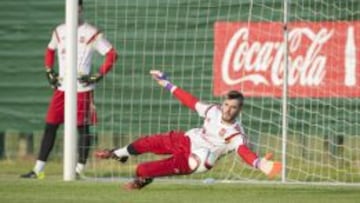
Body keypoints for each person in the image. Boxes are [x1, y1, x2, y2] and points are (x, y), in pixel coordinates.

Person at [95, 70, 281, 190]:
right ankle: (117, 153)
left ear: (239, 110)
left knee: (142, 169)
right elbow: (190, 101)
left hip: (194, 159)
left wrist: (261, 164)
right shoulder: (213, 110)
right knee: (145, 142)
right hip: (185, 140)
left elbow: (244, 151)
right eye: (226, 104)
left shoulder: (236, 133)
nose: (227, 109)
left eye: (233, 107)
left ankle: (144, 177)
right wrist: (167, 84)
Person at [21, 0, 118, 179]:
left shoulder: (91, 32)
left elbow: (112, 54)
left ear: (81, 8)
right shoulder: (60, 31)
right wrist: (49, 70)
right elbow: (50, 50)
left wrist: (98, 74)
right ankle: (38, 170)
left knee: (82, 128)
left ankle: (79, 170)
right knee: (50, 125)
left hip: (82, 89)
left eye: (78, 7)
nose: (75, 11)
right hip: (62, 88)